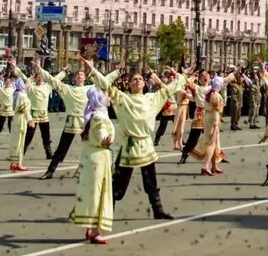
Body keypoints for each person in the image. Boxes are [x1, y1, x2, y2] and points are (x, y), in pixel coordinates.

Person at [85, 56, 185, 220]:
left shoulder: (152, 98)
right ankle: (105, 212)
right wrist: (92, 70)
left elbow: (170, 88)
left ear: (144, 84)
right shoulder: (122, 98)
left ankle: (157, 210)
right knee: (118, 185)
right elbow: (106, 85)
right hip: (129, 147)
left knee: (151, 182)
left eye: (139, 79)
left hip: (146, 145)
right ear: (129, 84)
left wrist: (181, 76)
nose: (137, 81)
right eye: (134, 80)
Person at [68, 87, 113, 245]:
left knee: (90, 193)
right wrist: (106, 140)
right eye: (106, 95)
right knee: (98, 194)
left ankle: (89, 226)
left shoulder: (91, 113)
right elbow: (101, 134)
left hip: (89, 157)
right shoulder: (100, 116)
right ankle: (95, 231)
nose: (108, 97)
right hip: (99, 158)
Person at [42, 63, 100, 180]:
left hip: (85, 121)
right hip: (71, 122)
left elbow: (104, 82)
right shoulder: (68, 88)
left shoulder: (89, 89)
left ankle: (85, 171)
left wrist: (117, 72)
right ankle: (50, 170)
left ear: (85, 78)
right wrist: (40, 70)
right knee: (62, 147)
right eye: (78, 74)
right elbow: (52, 81)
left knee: (90, 147)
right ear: (74, 78)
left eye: (82, 74)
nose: (79, 76)